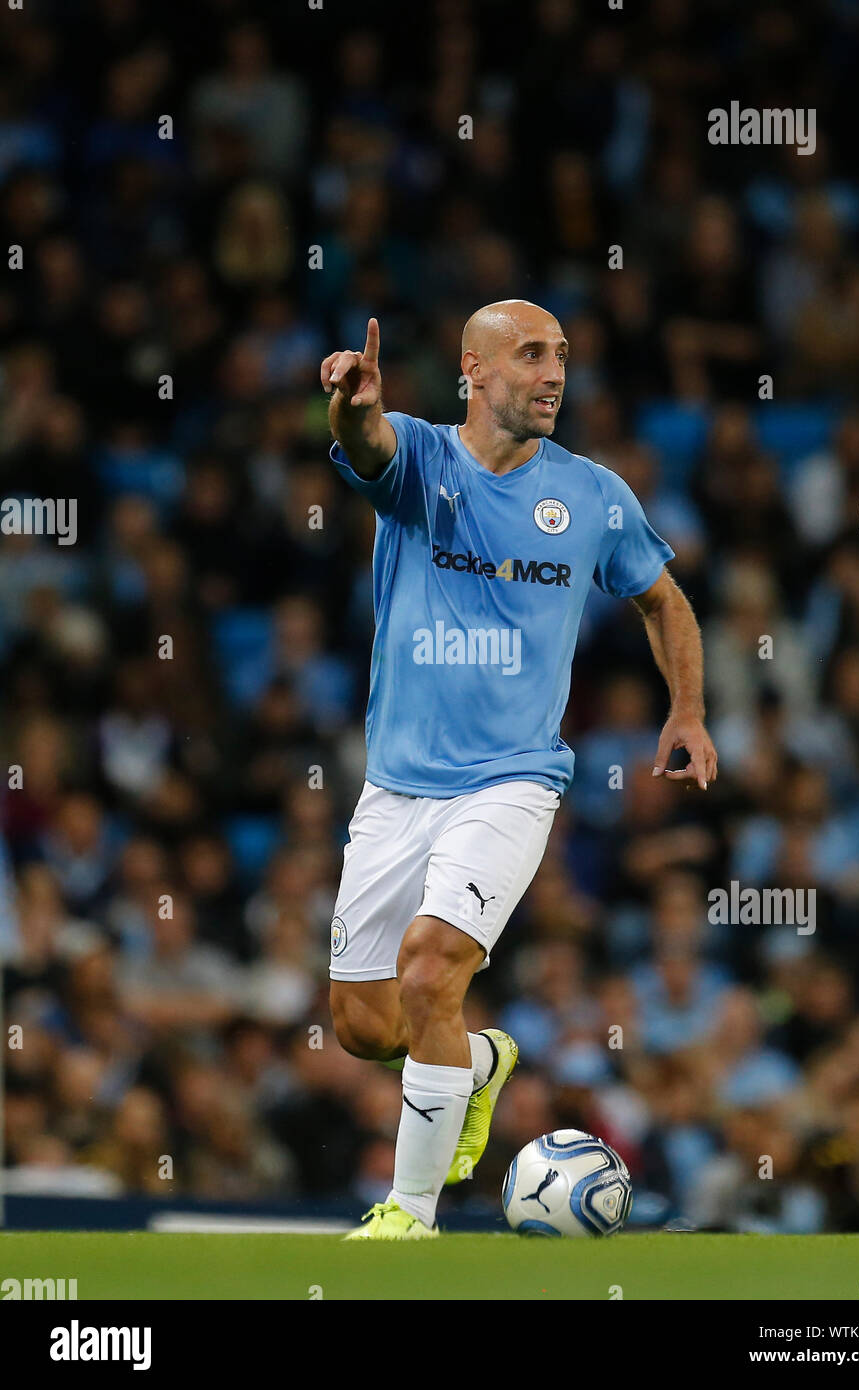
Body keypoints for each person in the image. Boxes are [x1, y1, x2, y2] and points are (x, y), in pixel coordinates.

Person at [321, 301, 717, 1238]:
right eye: (532, 354)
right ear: (475, 369)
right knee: (364, 1027)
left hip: (512, 779)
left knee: (429, 974)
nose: (554, 374)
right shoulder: (421, 461)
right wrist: (349, 406)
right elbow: (365, 439)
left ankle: (408, 1216)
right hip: (398, 783)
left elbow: (664, 601)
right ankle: (484, 1062)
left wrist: (688, 710)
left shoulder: (594, 495)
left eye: (564, 357)